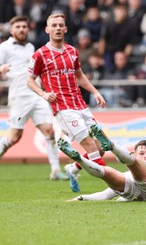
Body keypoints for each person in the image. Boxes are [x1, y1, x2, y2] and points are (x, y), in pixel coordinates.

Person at [27, 14, 107, 192]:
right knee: (91, 145)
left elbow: (79, 76)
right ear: (47, 30)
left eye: (60, 25)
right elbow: (30, 80)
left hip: (81, 105)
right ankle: (116, 185)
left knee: (101, 147)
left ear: (65, 29)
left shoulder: (72, 51)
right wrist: (44, 94)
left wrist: (95, 92)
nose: (57, 28)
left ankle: (73, 169)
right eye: (53, 25)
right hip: (62, 108)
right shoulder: (40, 54)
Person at [0, 15, 68, 181]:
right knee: (14, 137)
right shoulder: (4, 47)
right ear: (11, 30)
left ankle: (55, 170)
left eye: (24, 27)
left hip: (37, 94)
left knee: (49, 131)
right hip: (19, 96)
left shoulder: (30, 46)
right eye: (18, 27)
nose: (22, 29)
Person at [58, 125, 146, 202]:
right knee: (106, 172)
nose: (145, 156)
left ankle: (111, 146)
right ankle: (79, 158)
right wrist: (82, 198)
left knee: (136, 166)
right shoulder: (128, 174)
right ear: (134, 154)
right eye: (141, 153)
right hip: (132, 192)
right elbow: (105, 195)